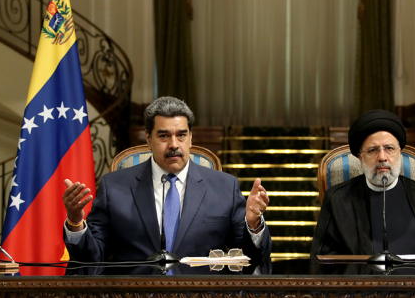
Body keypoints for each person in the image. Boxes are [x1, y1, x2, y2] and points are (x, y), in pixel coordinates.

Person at [63, 97, 271, 269]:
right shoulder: (114, 187)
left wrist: (253, 225)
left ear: (191, 138)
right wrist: (76, 222)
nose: (173, 144)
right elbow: (92, 259)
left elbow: (250, 259)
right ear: (148, 139)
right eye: (164, 136)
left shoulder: (224, 187)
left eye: (181, 135)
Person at [310, 110, 415, 259]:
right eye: (373, 150)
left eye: (389, 148)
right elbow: (322, 260)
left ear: (399, 154)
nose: (382, 157)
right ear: (361, 159)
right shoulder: (337, 199)